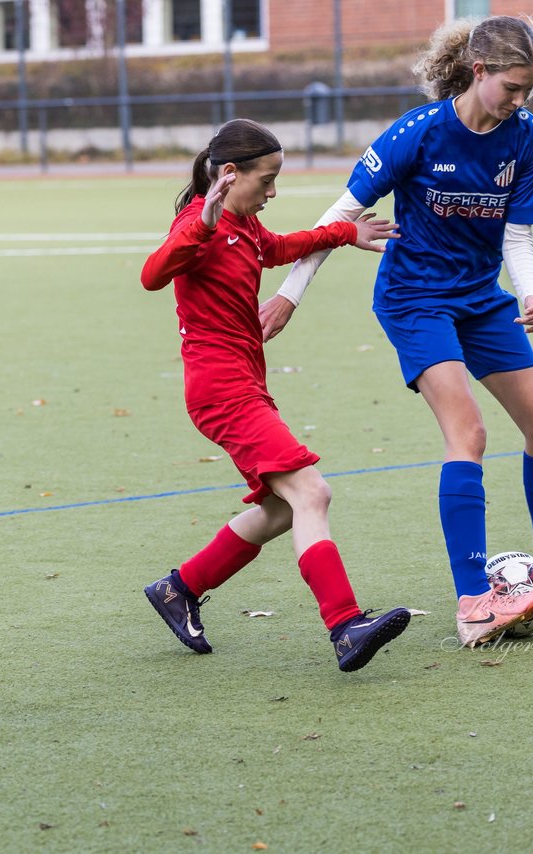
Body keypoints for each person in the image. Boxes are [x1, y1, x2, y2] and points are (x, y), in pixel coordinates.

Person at [261, 16, 533, 648]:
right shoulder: (419, 133)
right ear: (479, 72)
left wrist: (532, 291)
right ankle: (473, 600)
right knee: (470, 432)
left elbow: (516, 232)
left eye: (530, 89)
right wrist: (290, 293)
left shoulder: (528, 138)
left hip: (483, 299)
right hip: (415, 301)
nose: (521, 101)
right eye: (512, 87)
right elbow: (342, 214)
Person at [141, 118, 412, 673]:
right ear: (230, 174)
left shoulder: (243, 225)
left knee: (280, 509)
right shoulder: (203, 222)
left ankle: (179, 589)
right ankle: (345, 625)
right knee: (312, 494)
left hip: (243, 385)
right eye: (266, 180)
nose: (273, 191)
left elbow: (279, 247)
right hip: (222, 391)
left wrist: (344, 233)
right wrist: (203, 223)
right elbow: (152, 274)